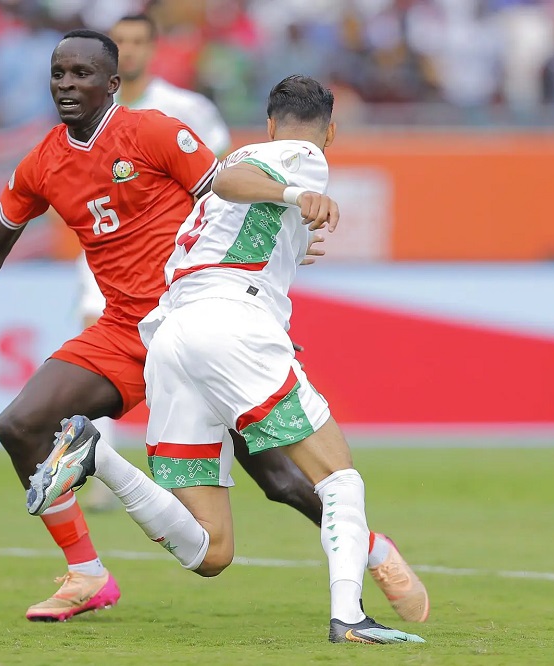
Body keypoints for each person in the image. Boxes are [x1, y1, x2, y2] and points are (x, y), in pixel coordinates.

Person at [0, 32, 426, 625]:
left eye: (80, 74)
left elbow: (225, 198)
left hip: (192, 315)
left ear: (112, 84)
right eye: (59, 74)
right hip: (126, 328)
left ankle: (373, 550)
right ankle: (86, 572)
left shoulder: (152, 132)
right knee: (19, 425)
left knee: (280, 480)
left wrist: (262, 275)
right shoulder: (41, 162)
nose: (67, 85)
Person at [26, 75, 428, 644]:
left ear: (268, 121)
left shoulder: (232, 174)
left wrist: (289, 245)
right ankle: (350, 617)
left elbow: (228, 220)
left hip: (172, 335)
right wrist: (296, 197)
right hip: (231, 325)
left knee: (210, 550)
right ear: (330, 132)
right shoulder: (299, 157)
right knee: (338, 477)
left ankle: (98, 456)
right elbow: (238, 181)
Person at [77, 13, 231, 512]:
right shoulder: (90, 111)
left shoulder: (187, 108)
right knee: (96, 355)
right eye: (120, 42)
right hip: (105, 256)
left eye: (138, 41)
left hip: (173, 259)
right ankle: (102, 468)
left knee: (181, 363)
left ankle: (192, 466)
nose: (129, 50)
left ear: (153, 47)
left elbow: (220, 181)